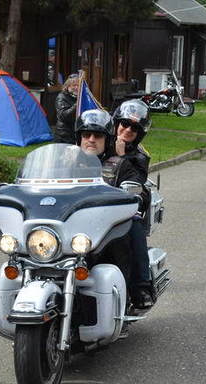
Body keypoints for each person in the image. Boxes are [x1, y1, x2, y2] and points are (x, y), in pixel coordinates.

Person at [75, 109, 153, 309]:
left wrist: (136, 195)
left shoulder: (120, 164)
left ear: (106, 139)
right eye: (86, 135)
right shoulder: (66, 163)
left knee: (133, 223)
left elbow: (138, 186)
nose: (91, 140)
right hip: (73, 223)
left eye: (97, 136)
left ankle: (140, 286)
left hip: (106, 223)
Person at [112, 100, 154, 308]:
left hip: (122, 209)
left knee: (134, 225)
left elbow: (137, 179)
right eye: (125, 124)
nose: (128, 130)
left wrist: (122, 156)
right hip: (90, 207)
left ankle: (141, 286)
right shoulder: (99, 142)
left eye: (134, 128)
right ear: (116, 123)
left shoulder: (139, 156)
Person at [54, 74, 79, 143]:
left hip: (76, 133)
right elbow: (63, 116)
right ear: (68, 86)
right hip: (64, 135)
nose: (76, 87)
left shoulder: (79, 97)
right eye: (74, 85)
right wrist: (77, 105)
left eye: (78, 85)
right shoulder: (61, 97)